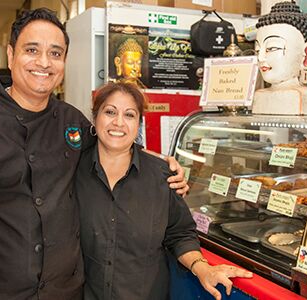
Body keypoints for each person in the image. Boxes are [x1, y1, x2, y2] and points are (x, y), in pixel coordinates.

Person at [0, 8, 188, 300]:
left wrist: (160, 165)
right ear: (11, 56)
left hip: (67, 292)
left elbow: (113, 143)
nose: (44, 63)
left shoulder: (71, 121)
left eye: (55, 53)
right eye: (32, 50)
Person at [76, 82, 253, 300]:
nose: (118, 122)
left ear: (139, 124)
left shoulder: (162, 175)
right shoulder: (73, 170)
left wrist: (202, 268)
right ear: (95, 118)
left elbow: (180, 233)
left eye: (129, 115)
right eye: (110, 112)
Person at [251, 1, 307, 115]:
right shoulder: (258, 95)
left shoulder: (304, 96)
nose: (260, 57)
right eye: (257, 50)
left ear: (306, 55)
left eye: (272, 48)